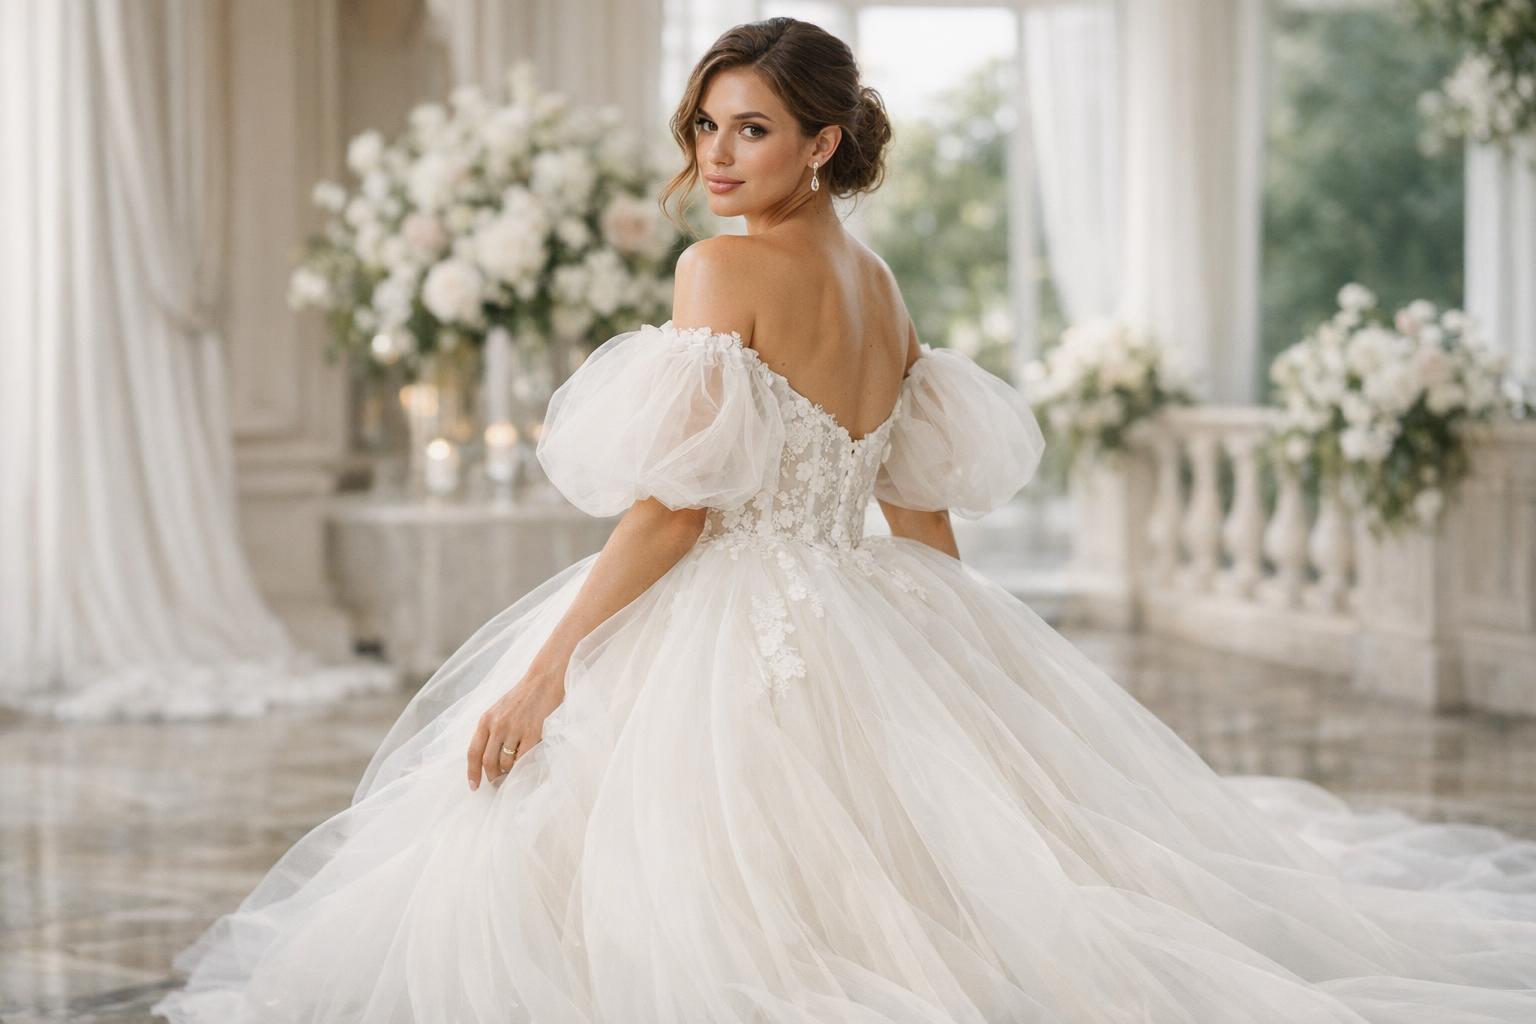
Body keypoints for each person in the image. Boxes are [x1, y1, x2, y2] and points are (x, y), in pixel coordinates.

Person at [153, 17, 1536, 1024]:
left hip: (746, 603)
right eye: (705, 126)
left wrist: (547, 665)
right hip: (865, 604)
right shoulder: (882, 284)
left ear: (822, 139)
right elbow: (916, 509)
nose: (717, 154)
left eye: (750, 128)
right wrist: (977, 671)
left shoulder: (721, 272)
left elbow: (672, 515)